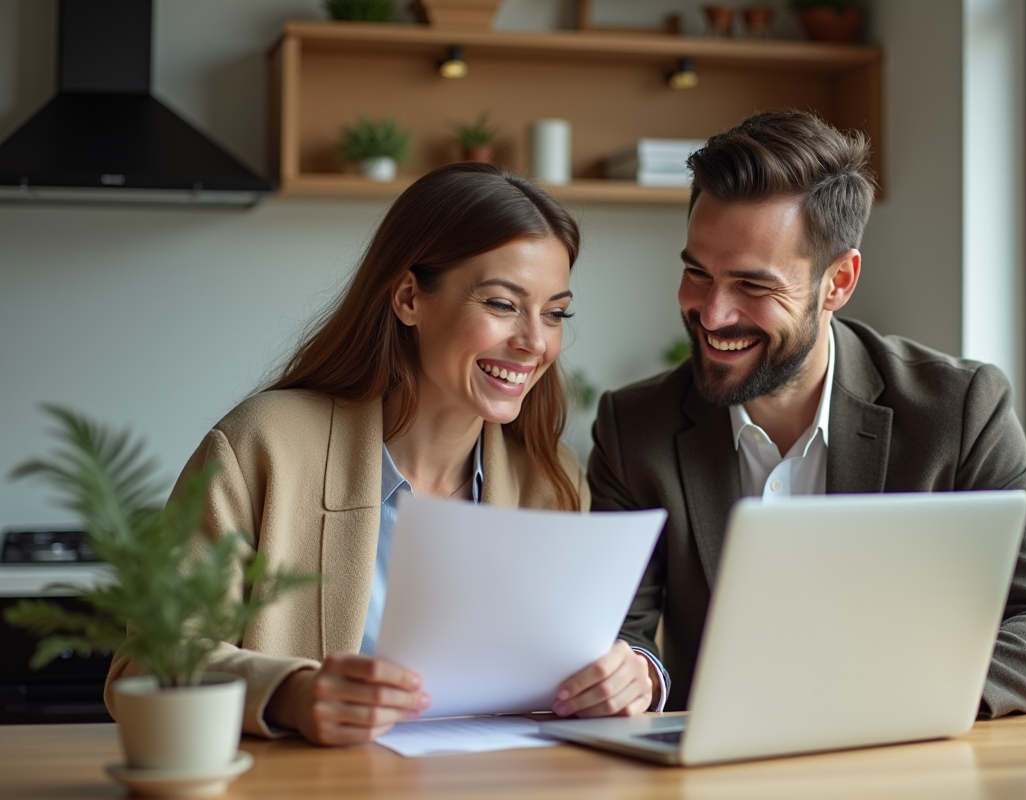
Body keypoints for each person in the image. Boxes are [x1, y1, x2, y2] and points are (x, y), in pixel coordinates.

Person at [105, 164, 658, 745]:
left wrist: (621, 681)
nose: (534, 342)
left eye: (555, 313)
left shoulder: (551, 481)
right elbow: (144, 665)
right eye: (502, 304)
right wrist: (289, 694)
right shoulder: (263, 445)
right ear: (408, 298)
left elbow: (567, 690)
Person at [591, 110, 1026, 718]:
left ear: (838, 282)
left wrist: (891, 693)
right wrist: (638, 674)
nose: (712, 313)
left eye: (754, 287)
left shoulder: (958, 410)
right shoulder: (635, 426)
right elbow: (621, 629)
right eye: (697, 273)